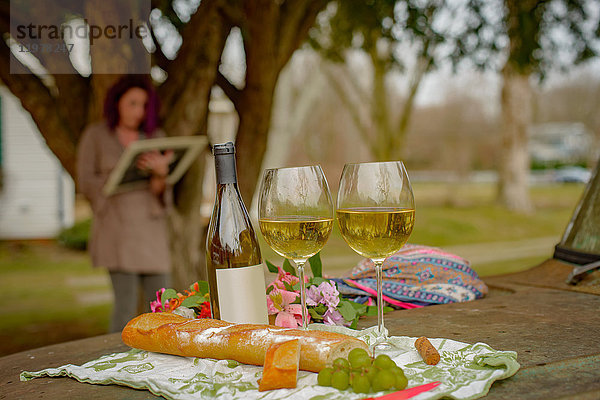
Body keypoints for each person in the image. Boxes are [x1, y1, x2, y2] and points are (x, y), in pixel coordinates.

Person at [77, 75, 172, 333]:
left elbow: (161, 195)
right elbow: (85, 181)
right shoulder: (96, 136)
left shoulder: (155, 137)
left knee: (163, 306)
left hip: (150, 232)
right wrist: (118, 175)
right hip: (116, 231)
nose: (138, 111)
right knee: (125, 307)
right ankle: (116, 364)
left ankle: (162, 362)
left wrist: (160, 173)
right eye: (132, 103)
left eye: (143, 105)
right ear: (117, 103)